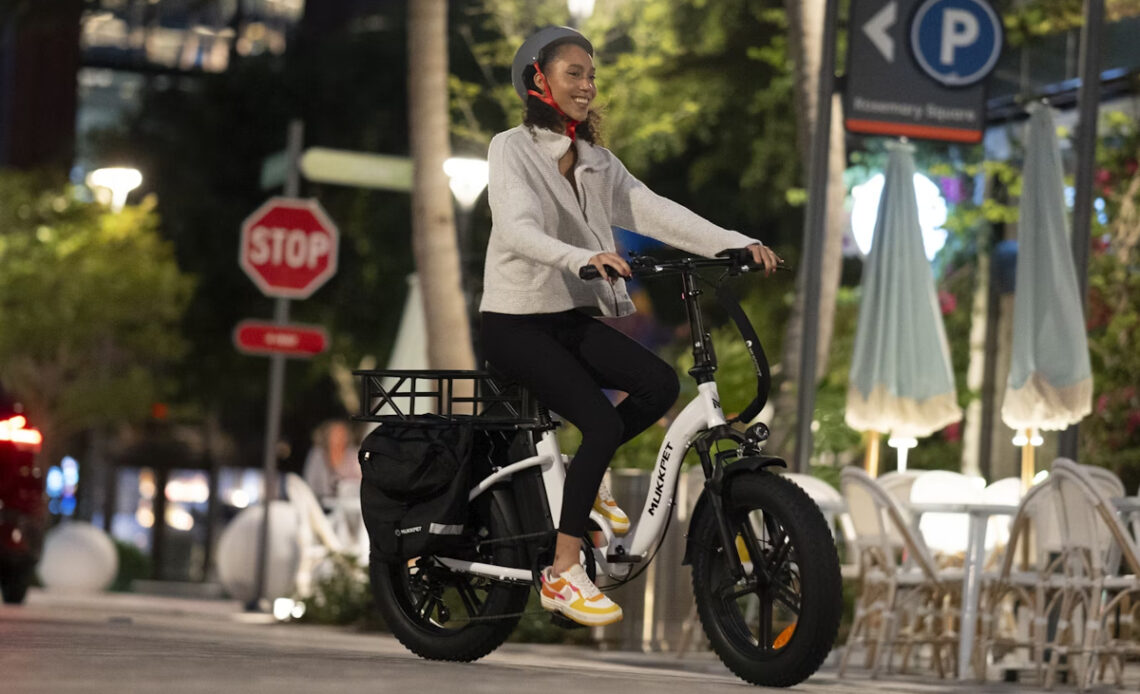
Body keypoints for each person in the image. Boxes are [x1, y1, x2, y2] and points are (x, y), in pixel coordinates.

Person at [479, 26, 781, 628]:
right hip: (513, 323)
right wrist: (581, 258)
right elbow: (516, 228)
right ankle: (563, 572)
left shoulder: (597, 163)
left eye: (591, 75)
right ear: (539, 80)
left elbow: (656, 211)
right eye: (574, 73)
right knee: (597, 418)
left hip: (565, 318)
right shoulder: (510, 149)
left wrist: (735, 244)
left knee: (659, 386)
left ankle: (582, 489)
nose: (587, 85)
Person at [302, 419, 361, 503]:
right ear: (327, 435)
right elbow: (309, 481)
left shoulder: (354, 455)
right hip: (320, 504)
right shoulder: (317, 455)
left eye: (342, 434)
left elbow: (360, 480)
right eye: (335, 433)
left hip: (347, 504)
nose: (339, 437)